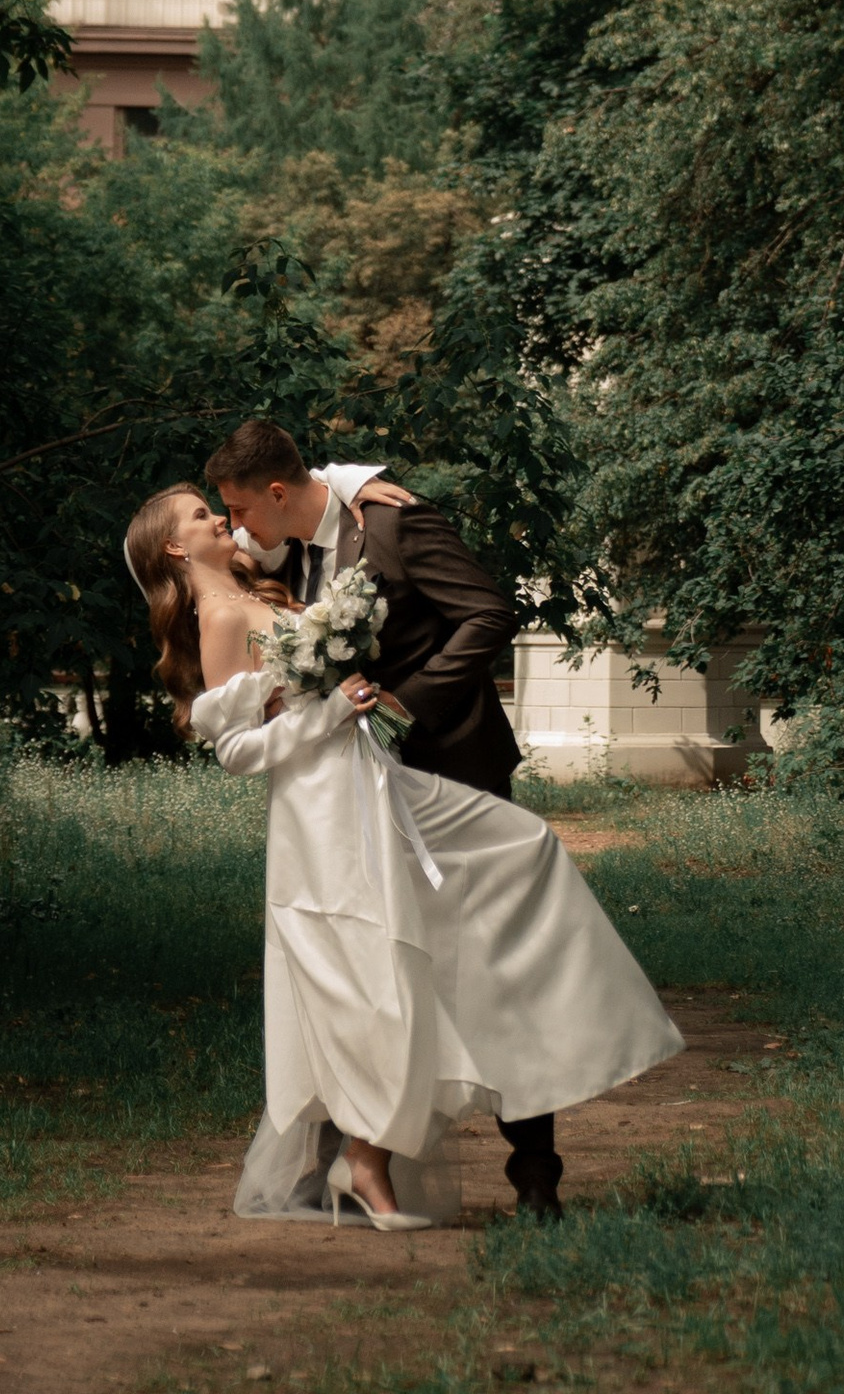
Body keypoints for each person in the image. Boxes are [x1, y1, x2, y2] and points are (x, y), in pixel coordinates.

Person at [124, 462, 680, 1231]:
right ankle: (365, 1161)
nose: (224, 519)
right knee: (376, 967)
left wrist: (353, 479)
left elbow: (291, 491)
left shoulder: (256, 575)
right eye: (202, 515)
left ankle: (420, 1143)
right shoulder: (219, 617)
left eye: (225, 507)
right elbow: (237, 751)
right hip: (323, 803)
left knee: (514, 853)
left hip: (371, 777)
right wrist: (334, 710)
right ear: (175, 551)